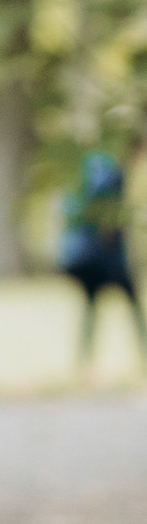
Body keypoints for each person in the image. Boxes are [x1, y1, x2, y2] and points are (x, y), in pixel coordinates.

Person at [58, 149, 146, 370]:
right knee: (124, 305)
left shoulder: (86, 170)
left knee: (94, 308)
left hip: (93, 256)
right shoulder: (106, 170)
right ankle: (85, 359)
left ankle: (84, 359)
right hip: (104, 257)